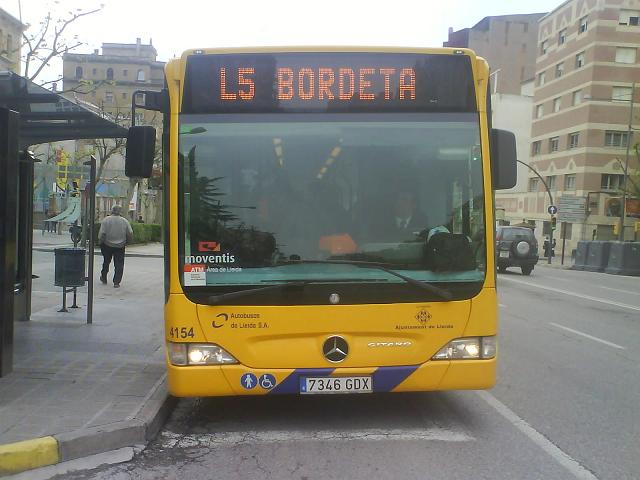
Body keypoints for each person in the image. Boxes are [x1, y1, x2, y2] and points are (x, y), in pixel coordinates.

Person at [98, 205, 133, 288]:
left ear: (112, 211)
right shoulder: (124, 221)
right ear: (120, 212)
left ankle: (103, 277)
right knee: (119, 264)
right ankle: (116, 282)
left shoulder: (106, 220)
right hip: (120, 245)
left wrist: (100, 242)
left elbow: (102, 233)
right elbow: (130, 233)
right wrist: (128, 241)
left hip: (107, 244)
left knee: (106, 262)